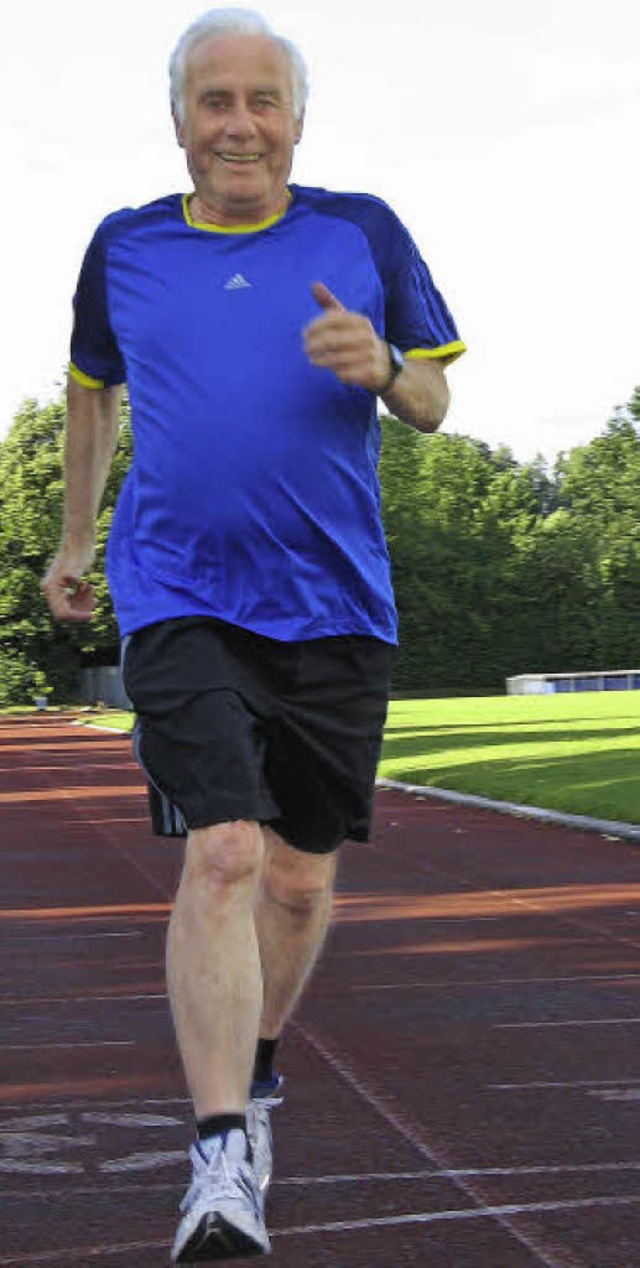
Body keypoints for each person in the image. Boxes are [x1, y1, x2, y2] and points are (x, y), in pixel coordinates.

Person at [42, 7, 465, 1261]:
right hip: (177, 588)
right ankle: (221, 1154)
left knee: (297, 873)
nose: (238, 123)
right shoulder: (122, 247)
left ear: (295, 117)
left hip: (335, 602)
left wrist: (384, 364)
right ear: (179, 117)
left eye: (260, 99)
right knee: (223, 851)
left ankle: (260, 1072)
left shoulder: (361, 229)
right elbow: (91, 393)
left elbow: (437, 398)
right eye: (213, 99)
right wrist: (75, 541)